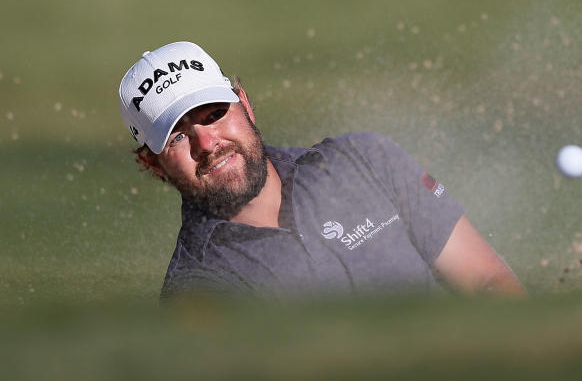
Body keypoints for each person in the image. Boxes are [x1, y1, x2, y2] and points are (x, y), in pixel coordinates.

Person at [119, 41, 525, 301]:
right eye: (177, 137)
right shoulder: (201, 287)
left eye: (214, 114)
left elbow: (487, 282)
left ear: (244, 102)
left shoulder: (364, 161)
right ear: (151, 163)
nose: (207, 143)